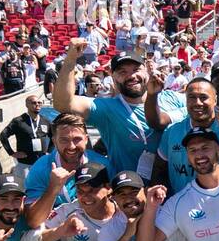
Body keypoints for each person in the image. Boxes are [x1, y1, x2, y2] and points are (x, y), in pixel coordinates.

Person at [54, 41, 185, 177]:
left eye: (136, 69)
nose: (131, 76)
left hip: (176, 189)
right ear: (113, 78)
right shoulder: (106, 109)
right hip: (129, 193)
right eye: (123, 72)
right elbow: (63, 104)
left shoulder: (173, 98)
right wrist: (70, 59)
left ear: (146, 70)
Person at [0, 95, 49, 183]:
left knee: (42, 189)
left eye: (39, 103)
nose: (37, 105)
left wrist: (49, 151)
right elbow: (3, 136)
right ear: (27, 105)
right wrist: (12, 153)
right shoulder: (18, 121)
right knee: (24, 190)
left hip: (41, 163)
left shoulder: (45, 120)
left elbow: (54, 136)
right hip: (25, 164)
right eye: (34, 103)